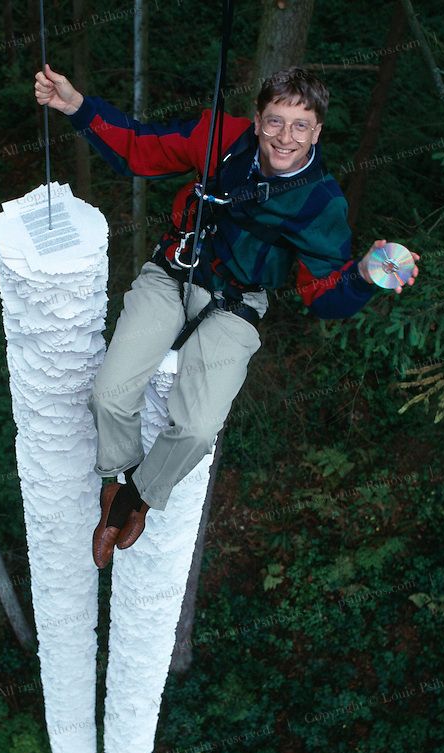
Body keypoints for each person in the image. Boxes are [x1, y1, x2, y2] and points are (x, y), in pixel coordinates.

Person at [34, 63, 420, 569]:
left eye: (300, 125)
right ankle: (117, 480)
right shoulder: (218, 138)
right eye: (276, 121)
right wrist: (77, 106)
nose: (285, 137)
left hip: (238, 302)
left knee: (196, 429)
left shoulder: (320, 202)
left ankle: (139, 497)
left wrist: (365, 278)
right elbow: (138, 149)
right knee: (109, 395)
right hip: (174, 272)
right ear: (257, 120)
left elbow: (322, 295)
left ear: (317, 132)